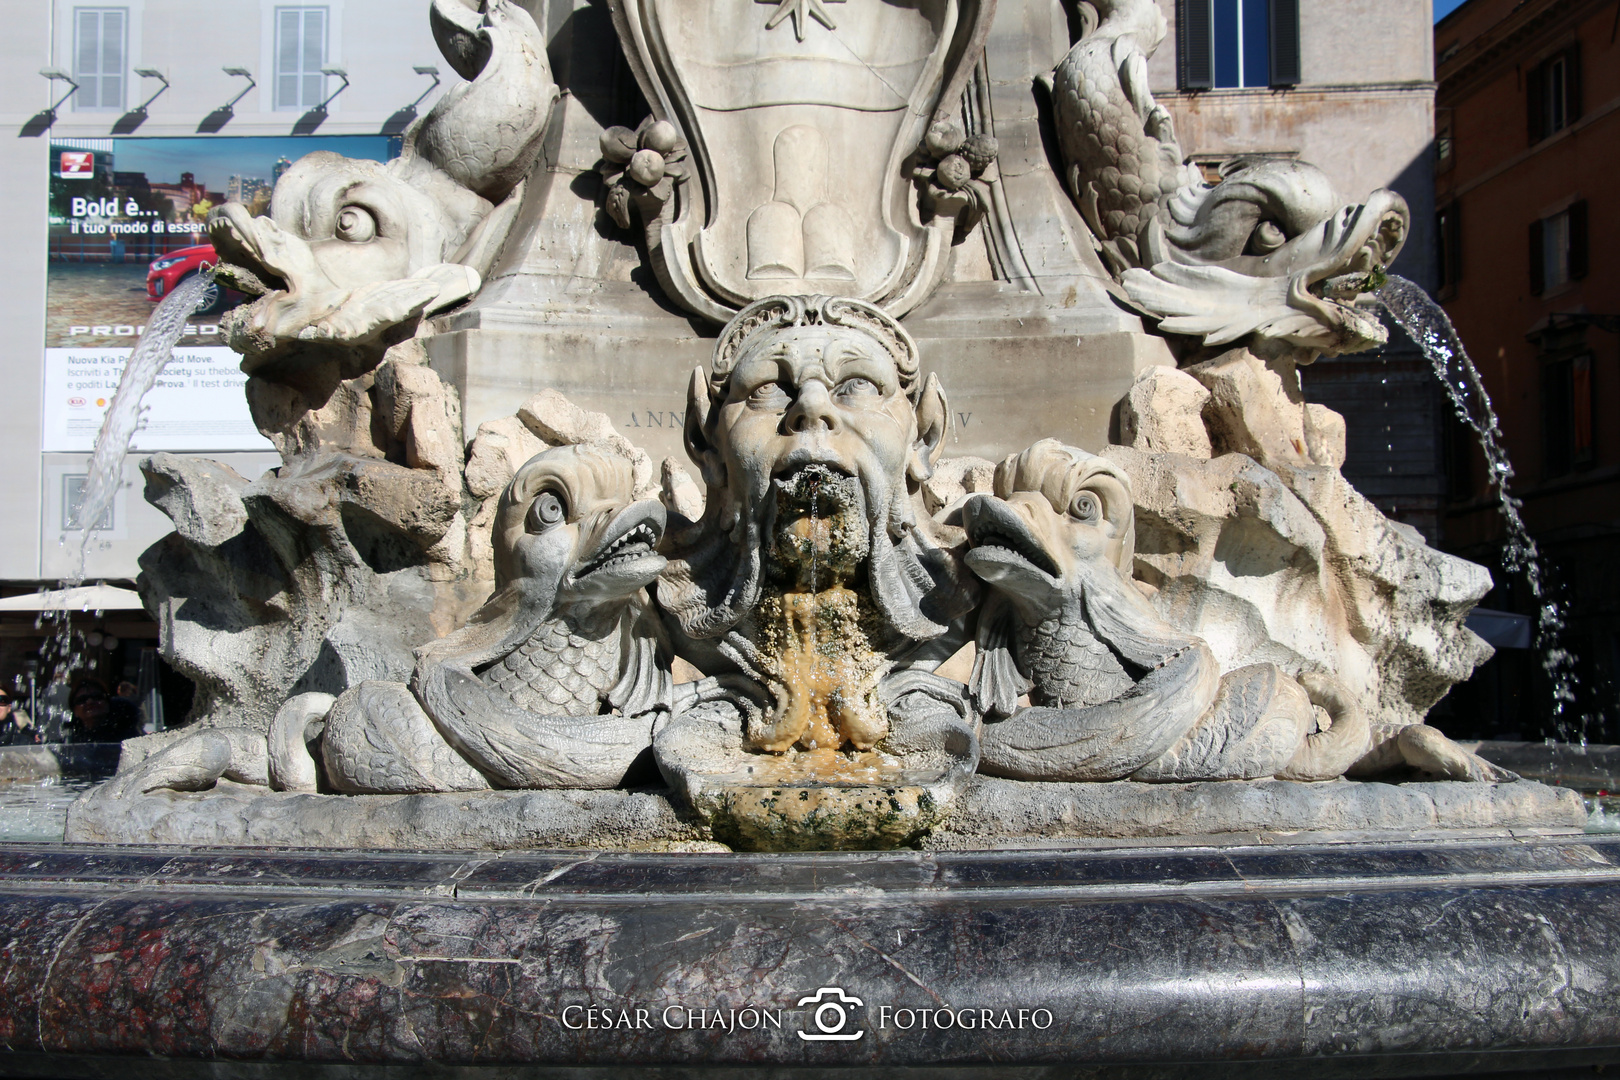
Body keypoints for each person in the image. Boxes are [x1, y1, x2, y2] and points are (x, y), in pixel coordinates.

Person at [68, 679, 141, 743]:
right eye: (82, 699)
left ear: (108, 704)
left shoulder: (128, 737)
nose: (90, 702)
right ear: (74, 711)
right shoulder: (69, 742)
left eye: (97, 697)